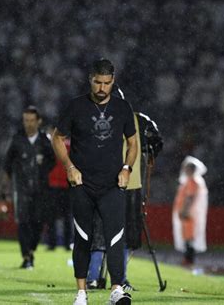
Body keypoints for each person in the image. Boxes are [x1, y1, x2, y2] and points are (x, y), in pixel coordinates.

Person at [51, 59, 137, 305]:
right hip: (82, 184)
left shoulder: (122, 107)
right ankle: (81, 293)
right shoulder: (76, 106)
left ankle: (117, 290)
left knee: (116, 237)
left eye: (107, 83)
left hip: (112, 184)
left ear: (113, 81)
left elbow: (133, 143)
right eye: (97, 82)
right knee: (83, 237)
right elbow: (57, 138)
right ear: (90, 79)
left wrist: (127, 169)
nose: (102, 87)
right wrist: (69, 167)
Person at [86, 85, 163, 291]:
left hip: (105, 187)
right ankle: (119, 279)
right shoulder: (140, 120)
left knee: (101, 233)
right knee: (123, 235)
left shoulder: (95, 121)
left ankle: (94, 277)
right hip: (128, 187)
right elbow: (157, 143)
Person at [2, 106, 56, 269]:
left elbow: (52, 160)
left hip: (40, 188)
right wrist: (5, 184)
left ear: (38, 121)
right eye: (26, 120)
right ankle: (26, 256)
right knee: (23, 222)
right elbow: (7, 163)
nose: (29, 124)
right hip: (21, 188)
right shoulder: (17, 139)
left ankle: (31, 249)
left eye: (32, 120)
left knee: (38, 222)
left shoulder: (44, 140)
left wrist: (43, 169)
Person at [172, 156, 208, 267]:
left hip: (189, 213)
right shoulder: (190, 181)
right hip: (188, 212)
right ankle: (188, 258)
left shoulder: (193, 181)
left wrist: (185, 210)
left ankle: (189, 259)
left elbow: (190, 197)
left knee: (189, 236)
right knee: (187, 236)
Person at [45, 126, 73, 251]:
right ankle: (67, 243)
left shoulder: (52, 146)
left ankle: (53, 243)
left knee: (54, 216)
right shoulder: (68, 146)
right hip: (62, 185)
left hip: (58, 185)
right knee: (66, 216)